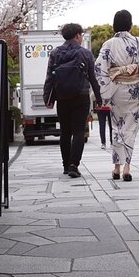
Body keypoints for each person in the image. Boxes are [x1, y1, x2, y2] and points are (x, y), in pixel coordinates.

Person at [43, 23, 101, 178]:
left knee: (65, 132)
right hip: (81, 97)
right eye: (81, 35)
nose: (81, 38)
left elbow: (50, 77)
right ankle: (74, 165)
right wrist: (99, 99)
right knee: (78, 132)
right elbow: (93, 79)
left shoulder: (55, 53)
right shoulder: (86, 54)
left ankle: (65, 165)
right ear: (77, 35)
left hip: (62, 98)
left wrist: (48, 98)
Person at [95, 10, 139, 182]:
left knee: (116, 127)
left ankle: (116, 167)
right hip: (134, 91)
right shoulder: (138, 42)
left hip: (117, 90)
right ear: (130, 24)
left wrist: (104, 89)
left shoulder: (108, 44)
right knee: (130, 128)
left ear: (114, 25)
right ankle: (127, 168)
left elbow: (99, 67)